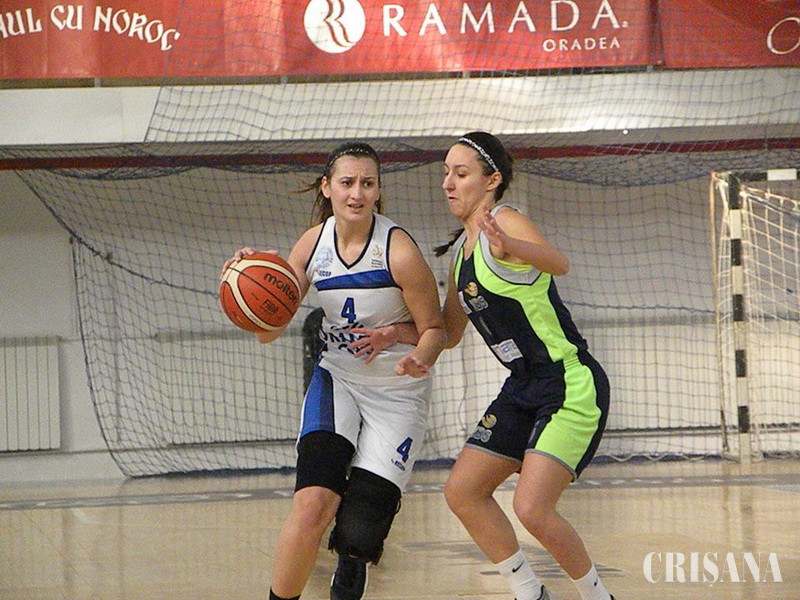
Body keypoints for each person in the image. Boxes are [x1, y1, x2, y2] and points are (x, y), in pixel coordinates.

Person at [222, 141, 446, 600]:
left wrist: (413, 351)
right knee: (311, 506)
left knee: (358, 535)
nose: (357, 194)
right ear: (327, 188)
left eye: (367, 183)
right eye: (347, 183)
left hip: (396, 389)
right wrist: (246, 281)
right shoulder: (312, 244)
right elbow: (269, 331)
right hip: (338, 379)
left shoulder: (399, 251)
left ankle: (352, 556)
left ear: (378, 190)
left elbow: (436, 329)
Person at [436, 132, 614, 600]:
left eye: (461, 173)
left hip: (567, 381)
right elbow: (448, 333)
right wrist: (396, 332)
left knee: (532, 508)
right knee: (462, 491)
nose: (448, 183)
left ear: (492, 180)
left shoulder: (505, 221)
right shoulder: (459, 258)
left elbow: (559, 262)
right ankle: (529, 593)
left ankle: (599, 596)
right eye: (446, 173)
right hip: (521, 387)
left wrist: (511, 242)